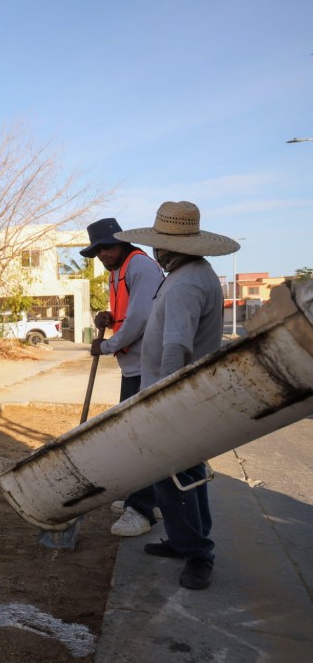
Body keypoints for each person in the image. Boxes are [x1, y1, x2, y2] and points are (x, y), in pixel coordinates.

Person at [116, 200, 239, 591]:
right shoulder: (195, 273)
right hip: (183, 394)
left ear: (174, 248)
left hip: (176, 397)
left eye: (161, 245)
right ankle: (183, 541)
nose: (157, 252)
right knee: (186, 476)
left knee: (175, 478)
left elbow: (176, 347)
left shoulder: (186, 282)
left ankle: (198, 556)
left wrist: (161, 400)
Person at [80, 218, 164, 537]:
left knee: (138, 436)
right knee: (135, 432)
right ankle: (146, 497)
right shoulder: (118, 271)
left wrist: (108, 344)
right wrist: (109, 317)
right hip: (133, 365)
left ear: (123, 243)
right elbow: (129, 313)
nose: (103, 255)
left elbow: (141, 318)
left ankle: (140, 509)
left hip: (149, 364)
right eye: (98, 251)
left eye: (108, 247)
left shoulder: (140, 266)